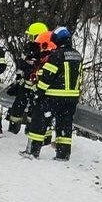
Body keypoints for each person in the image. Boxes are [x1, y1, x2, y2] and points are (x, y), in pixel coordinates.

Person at [23, 27, 83, 160]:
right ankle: (63, 154)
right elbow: (80, 76)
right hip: (71, 98)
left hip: (53, 96)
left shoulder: (56, 55)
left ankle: (32, 151)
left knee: (39, 120)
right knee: (65, 125)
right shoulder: (77, 55)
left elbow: (48, 76)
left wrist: (39, 93)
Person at [6, 22, 49, 134]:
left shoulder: (45, 51)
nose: (30, 39)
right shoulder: (28, 48)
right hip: (24, 85)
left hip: (36, 86)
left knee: (34, 110)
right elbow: (22, 64)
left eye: (32, 36)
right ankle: (13, 129)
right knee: (17, 107)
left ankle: (30, 129)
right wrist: (19, 77)